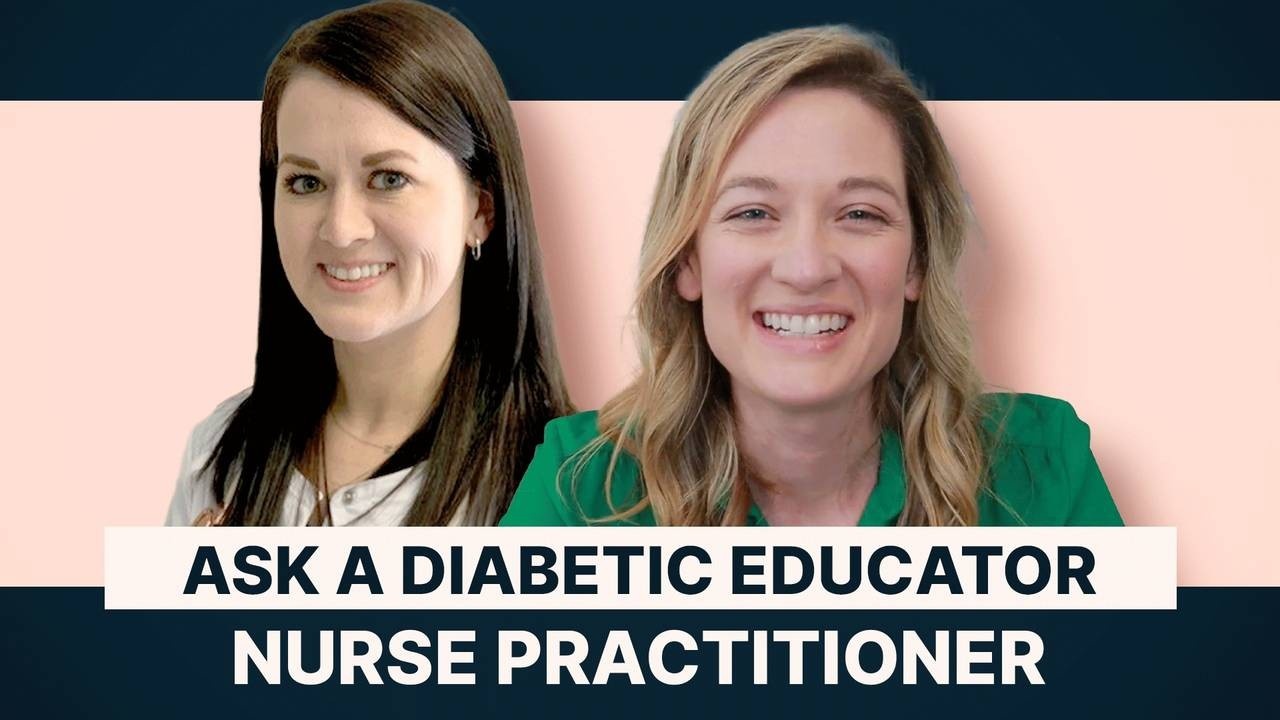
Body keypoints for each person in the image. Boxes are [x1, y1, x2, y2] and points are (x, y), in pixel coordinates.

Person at [501, 26, 1122, 527]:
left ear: (917, 264)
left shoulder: (1042, 472)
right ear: (687, 260)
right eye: (752, 213)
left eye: (859, 214)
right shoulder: (580, 491)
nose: (806, 268)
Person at [166, 0, 571, 526]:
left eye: (388, 179)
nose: (340, 229)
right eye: (306, 183)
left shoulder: (568, 490)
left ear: (481, 208)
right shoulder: (218, 454)